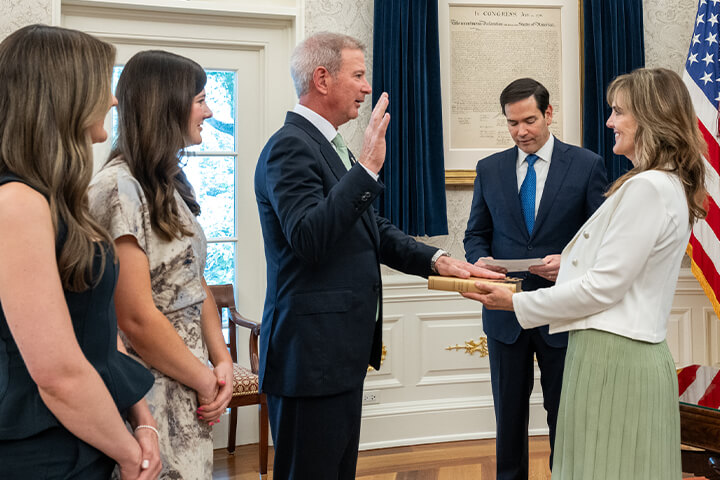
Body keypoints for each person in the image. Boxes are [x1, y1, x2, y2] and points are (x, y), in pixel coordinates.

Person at [254, 31, 502, 479]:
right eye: (359, 75)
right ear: (323, 78)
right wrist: (366, 167)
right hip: (310, 358)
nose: (367, 88)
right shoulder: (290, 146)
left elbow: (371, 230)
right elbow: (309, 238)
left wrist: (437, 260)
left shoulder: (330, 145)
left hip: (339, 354)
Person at [464, 67, 706, 479]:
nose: (608, 121)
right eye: (512, 122)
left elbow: (603, 285)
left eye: (618, 112)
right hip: (610, 341)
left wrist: (516, 300)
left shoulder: (645, 187)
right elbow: (612, 264)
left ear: (649, 117)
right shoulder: (661, 183)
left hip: (611, 350)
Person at [0, 24, 161, 479]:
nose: (113, 100)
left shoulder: (54, 200)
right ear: (62, 94)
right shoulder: (16, 201)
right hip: (41, 454)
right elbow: (58, 374)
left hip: (85, 436)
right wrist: (130, 454)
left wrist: (142, 422)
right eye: (102, 85)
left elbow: (93, 330)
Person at [88, 50, 233, 479]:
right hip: (146, 392)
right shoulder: (118, 190)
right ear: (166, 104)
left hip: (187, 384)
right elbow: (134, 318)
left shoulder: (167, 185)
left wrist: (220, 360)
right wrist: (207, 381)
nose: (209, 111)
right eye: (200, 100)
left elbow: (195, 282)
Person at [463, 78, 607, 479]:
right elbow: (475, 233)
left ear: (548, 114)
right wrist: (480, 260)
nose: (521, 131)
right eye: (512, 123)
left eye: (528, 120)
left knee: (565, 416)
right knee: (508, 415)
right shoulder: (489, 169)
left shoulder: (586, 164)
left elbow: (603, 238)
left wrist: (569, 261)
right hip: (504, 316)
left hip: (562, 314)